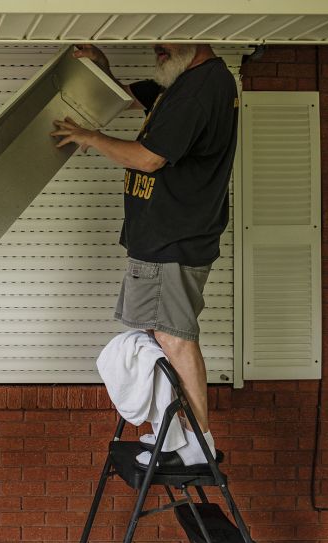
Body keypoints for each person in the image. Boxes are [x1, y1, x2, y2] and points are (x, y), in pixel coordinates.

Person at [51, 44, 239, 467]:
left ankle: (199, 441)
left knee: (174, 335)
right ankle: (174, 433)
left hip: (173, 237)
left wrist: (90, 137)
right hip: (163, 236)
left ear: (195, 38)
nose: (157, 47)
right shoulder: (185, 83)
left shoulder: (199, 90)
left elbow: (149, 158)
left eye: (166, 41)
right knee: (160, 335)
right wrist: (103, 69)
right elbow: (136, 99)